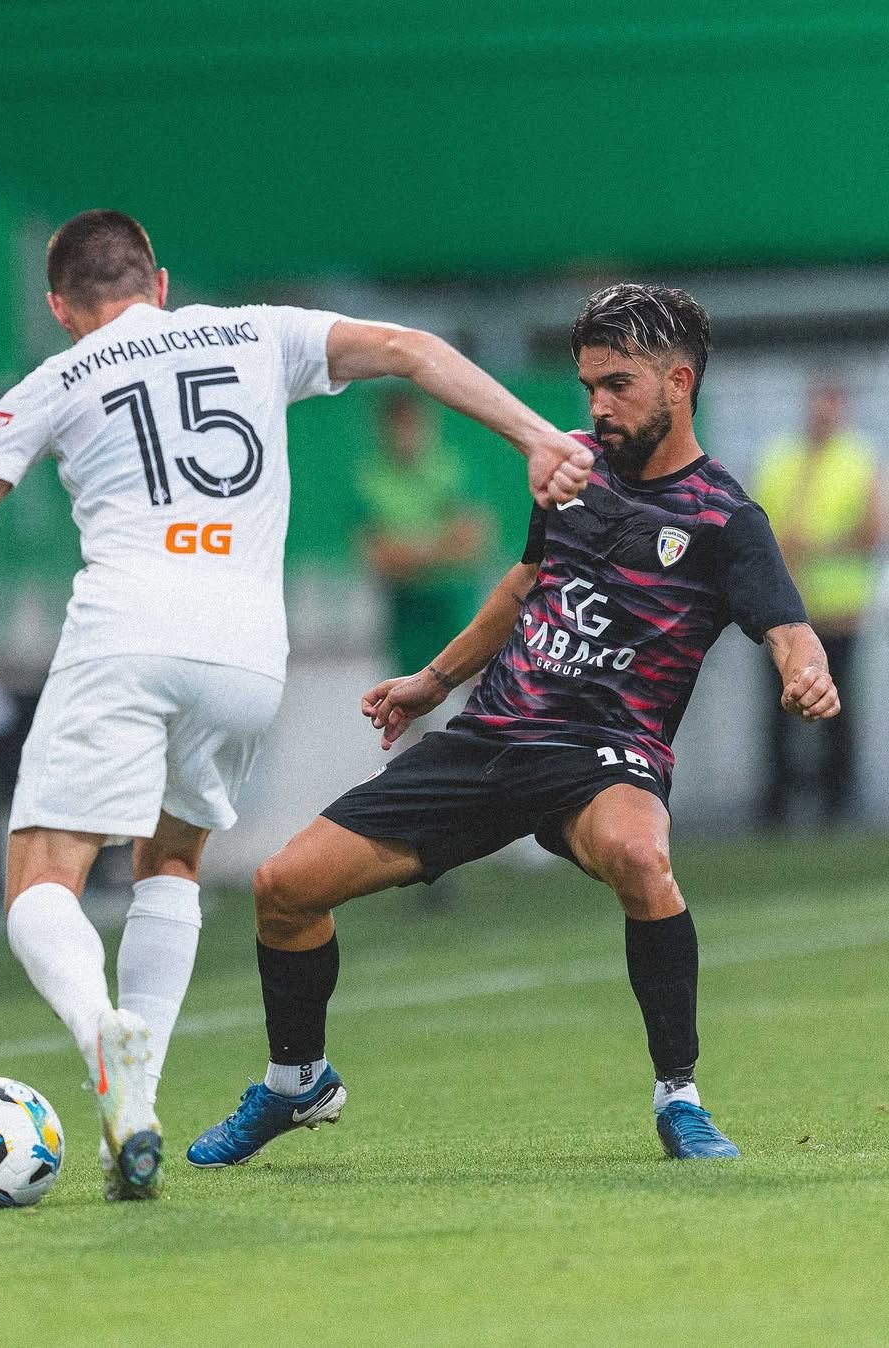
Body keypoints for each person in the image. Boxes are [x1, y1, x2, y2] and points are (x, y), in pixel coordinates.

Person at [0, 209, 592, 1199]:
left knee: (45, 877)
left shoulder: (56, 378)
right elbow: (412, 348)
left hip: (125, 633)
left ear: (62, 307)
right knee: (174, 860)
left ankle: (97, 1035)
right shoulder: (252, 330)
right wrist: (540, 435)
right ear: (156, 285)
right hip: (245, 653)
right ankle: (135, 1110)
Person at [187, 283, 841, 1169]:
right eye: (588, 387)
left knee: (644, 859)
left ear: (680, 383)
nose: (598, 406)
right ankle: (297, 1080)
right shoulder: (569, 470)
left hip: (606, 755)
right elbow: (522, 585)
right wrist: (432, 680)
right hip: (495, 735)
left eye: (618, 385)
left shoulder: (725, 518)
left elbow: (788, 627)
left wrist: (806, 672)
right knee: (282, 887)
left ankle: (679, 1097)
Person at [753, 380, 884, 827]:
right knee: (777, 710)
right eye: (817, 403)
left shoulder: (857, 461)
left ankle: (837, 803)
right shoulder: (780, 457)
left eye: (832, 404)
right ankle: (776, 805)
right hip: (784, 612)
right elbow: (755, 526)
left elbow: (872, 534)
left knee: (835, 711)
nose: (822, 413)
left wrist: (813, 546)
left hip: (837, 612)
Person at [357, 390, 488, 679]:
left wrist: (409, 551)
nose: (407, 434)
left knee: (476, 689)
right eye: (399, 425)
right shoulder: (371, 479)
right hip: (406, 608)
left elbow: (471, 541)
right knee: (407, 697)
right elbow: (376, 555)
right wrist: (439, 546)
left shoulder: (452, 469)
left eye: (413, 424)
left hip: (456, 602)